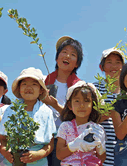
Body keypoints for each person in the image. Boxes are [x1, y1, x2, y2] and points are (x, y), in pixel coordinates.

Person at [0, 67, 57, 166]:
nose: (28, 87)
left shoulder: (47, 112)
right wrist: (5, 151)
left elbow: (50, 144)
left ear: (41, 90)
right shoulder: (10, 110)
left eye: (34, 84)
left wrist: (38, 154)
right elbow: (3, 139)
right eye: (24, 84)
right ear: (19, 89)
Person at [43, 36, 84, 166]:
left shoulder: (79, 87)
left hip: (65, 140)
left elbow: (78, 115)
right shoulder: (43, 81)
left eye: (73, 54)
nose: (67, 56)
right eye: (64, 52)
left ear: (77, 63)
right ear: (57, 57)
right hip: (42, 138)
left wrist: (55, 105)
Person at [56, 81, 107, 165]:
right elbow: (59, 155)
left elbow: (102, 158)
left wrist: (100, 146)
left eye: (86, 101)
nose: (82, 105)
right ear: (69, 105)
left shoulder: (97, 128)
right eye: (77, 101)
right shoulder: (65, 126)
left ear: (93, 105)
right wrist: (74, 145)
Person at [93, 47, 125, 166]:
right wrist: (109, 113)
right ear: (102, 67)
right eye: (109, 62)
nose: (114, 66)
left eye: (118, 62)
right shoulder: (94, 88)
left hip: (124, 151)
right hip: (99, 150)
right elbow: (86, 118)